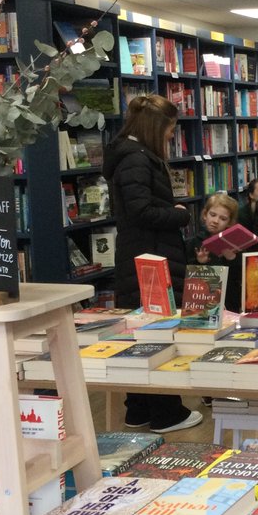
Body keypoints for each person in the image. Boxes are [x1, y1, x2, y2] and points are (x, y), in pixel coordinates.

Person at [103, 94, 202, 434]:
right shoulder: (137, 160)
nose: (170, 140)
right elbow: (140, 210)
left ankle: (139, 408)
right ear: (155, 128)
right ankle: (166, 412)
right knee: (157, 333)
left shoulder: (130, 156)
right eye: (170, 133)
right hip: (151, 256)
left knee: (139, 333)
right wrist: (177, 215)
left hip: (141, 255)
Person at [185, 191, 242, 313]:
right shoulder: (195, 242)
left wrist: (232, 259)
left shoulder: (234, 243)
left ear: (230, 223)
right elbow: (189, 276)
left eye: (223, 218)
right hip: (203, 300)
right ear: (205, 215)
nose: (216, 221)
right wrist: (200, 262)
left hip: (230, 299)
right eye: (213, 215)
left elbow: (240, 276)